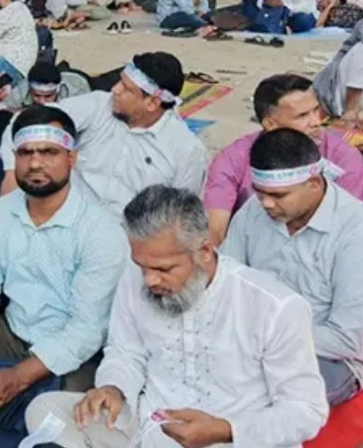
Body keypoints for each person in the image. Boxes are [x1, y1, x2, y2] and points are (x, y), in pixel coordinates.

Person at [25, 185, 329, 448]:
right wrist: (114, 388)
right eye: (141, 265)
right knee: (46, 410)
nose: (149, 280)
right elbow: (125, 353)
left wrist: (225, 429)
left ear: (205, 252)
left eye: (163, 269)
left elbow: (306, 410)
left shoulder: (275, 306)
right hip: (152, 432)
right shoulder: (136, 278)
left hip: (231, 438)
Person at [0, 106, 128, 426]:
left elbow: (86, 330)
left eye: (49, 152)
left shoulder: (101, 231)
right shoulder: (0, 213)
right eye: (26, 152)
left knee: (66, 420)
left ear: (72, 157)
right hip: (12, 333)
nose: (36, 163)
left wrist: (18, 377)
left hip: (74, 356)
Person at [222, 128, 363, 405]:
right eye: (260, 193)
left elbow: (347, 339)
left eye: (278, 195)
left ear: (314, 183)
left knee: (266, 397)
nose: (266, 204)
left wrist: (263, 336)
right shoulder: (254, 210)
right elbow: (226, 281)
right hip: (251, 337)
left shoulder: (355, 232)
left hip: (324, 355)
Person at [0, 53, 207, 217]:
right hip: (69, 226)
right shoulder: (97, 105)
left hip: (132, 249)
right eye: (119, 81)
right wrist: (11, 170)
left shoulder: (185, 149)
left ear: (152, 103)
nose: (114, 90)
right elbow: (25, 121)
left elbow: (182, 216)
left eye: (126, 88)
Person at [205, 74, 363, 244]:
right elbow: (215, 231)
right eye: (302, 116)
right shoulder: (233, 159)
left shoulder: (343, 158)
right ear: (270, 124)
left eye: (316, 110)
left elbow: (348, 227)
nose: (316, 122)